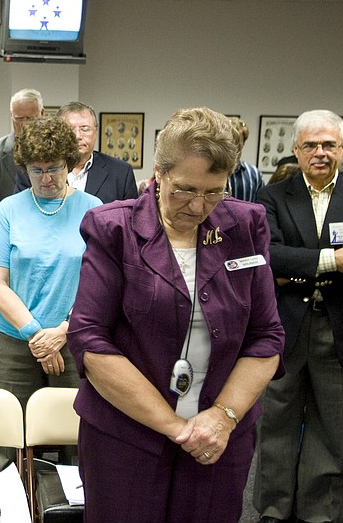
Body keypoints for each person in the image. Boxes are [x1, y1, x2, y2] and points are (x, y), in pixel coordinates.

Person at [67, 107, 284, 522]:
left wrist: (222, 418)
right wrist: (176, 427)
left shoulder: (245, 225)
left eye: (214, 191)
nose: (198, 205)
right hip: (126, 437)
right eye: (184, 189)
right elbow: (91, 341)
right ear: (159, 173)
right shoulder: (114, 228)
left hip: (219, 440)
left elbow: (267, 336)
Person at [0, 116, 101, 473]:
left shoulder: (92, 209)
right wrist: (35, 334)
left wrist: (63, 331)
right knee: (5, 446)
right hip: (12, 342)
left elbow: (100, 286)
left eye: (54, 168)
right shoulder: (9, 210)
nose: (46, 178)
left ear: (69, 163)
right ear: (24, 168)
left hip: (73, 339)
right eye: (36, 170)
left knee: (76, 444)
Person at [254, 109, 343, 523]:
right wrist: (333, 261)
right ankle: (273, 508)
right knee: (276, 421)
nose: (320, 153)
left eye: (328, 144)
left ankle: (317, 509)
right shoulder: (273, 196)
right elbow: (269, 255)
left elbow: (288, 260)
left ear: (341, 148)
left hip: (335, 328)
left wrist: (297, 267)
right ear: (296, 149)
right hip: (286, 326)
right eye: (311, 145)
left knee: (331, 424)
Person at [18, 101, 139, 204]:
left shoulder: (120, 172)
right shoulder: (36, 170)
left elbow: (130, 221)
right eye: (70, 129)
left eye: (84, 128)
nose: (77, 136)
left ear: (96, 132)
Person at [0, 88, 44, 218]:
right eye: (19, 119)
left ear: (42, 113)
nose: (24, 125)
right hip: (5, 225)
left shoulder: (56, 150)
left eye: (30, 119)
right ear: (11, 115)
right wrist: (4, 226)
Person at [227, 117, 264, 202]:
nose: (233, 145)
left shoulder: (254, 174)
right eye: (230, 140)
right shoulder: (211, 172)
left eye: (237, 141)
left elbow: (260, 206)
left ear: (243, 143)